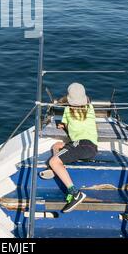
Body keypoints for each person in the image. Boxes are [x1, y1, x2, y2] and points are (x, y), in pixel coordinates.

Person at [41, 82, 98, 213]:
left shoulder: (67, 110)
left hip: (81, 143)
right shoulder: (90, 108)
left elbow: (65, 124)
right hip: (90, 146)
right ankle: (56, 168)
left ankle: (75, 193)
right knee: (57, 146)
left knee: (53, 160)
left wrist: (62, 125)